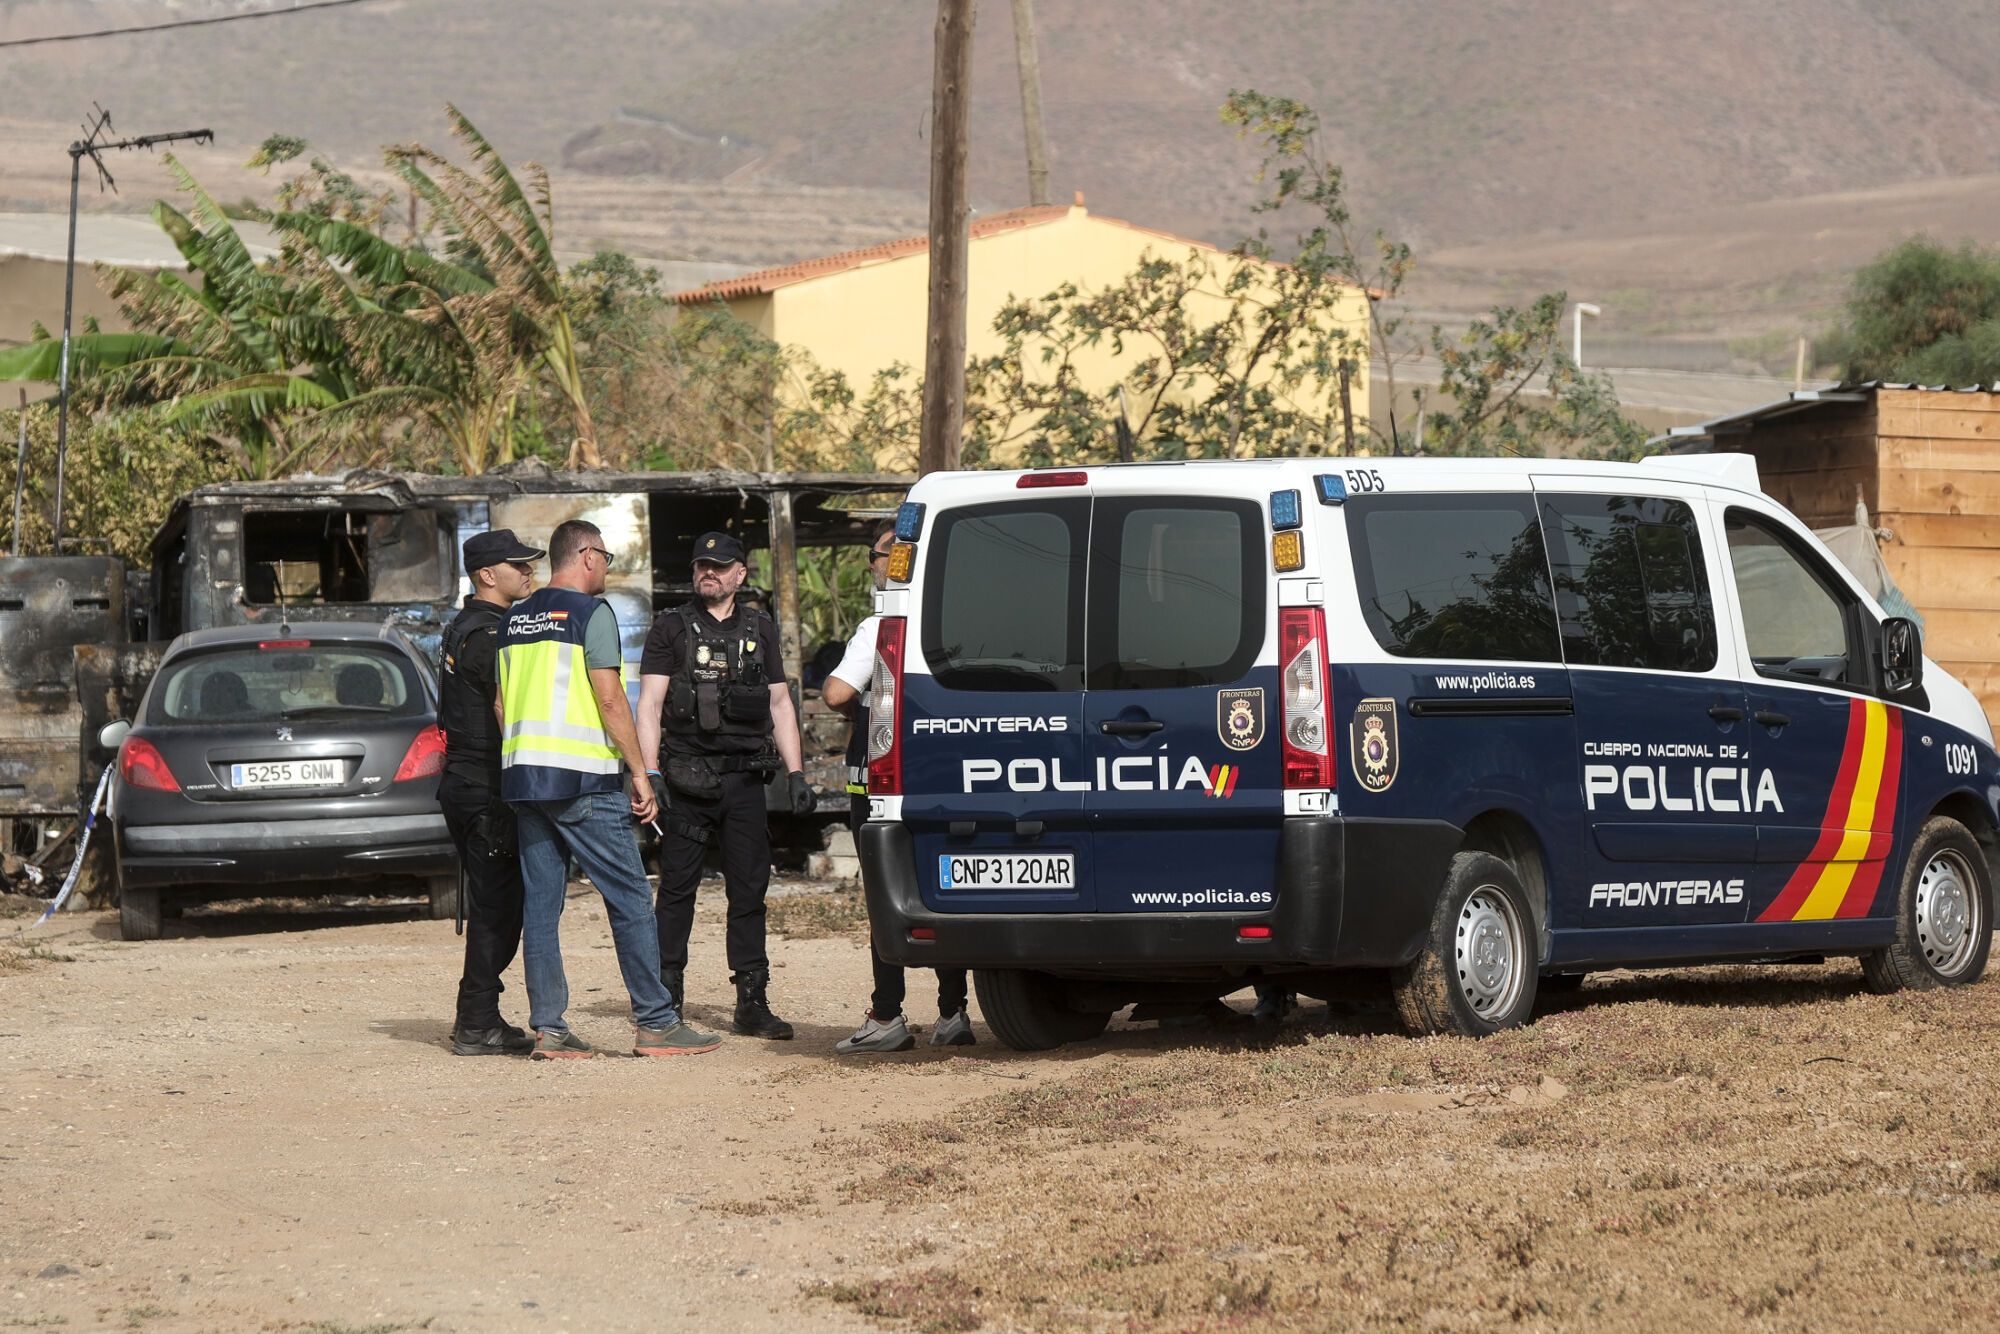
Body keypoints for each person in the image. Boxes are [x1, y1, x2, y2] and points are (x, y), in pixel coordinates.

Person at [496, 518, 722, 1060]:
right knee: (629, 901)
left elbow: (502, 704)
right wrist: (641, 772)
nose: (607, 569)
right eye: (608, 558)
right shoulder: (589, 613)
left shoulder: (514, 618)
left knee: (541, 909)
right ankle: (656, 1022)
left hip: (526, 779)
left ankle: (550, 1029)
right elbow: (612, 699)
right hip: (582, 782)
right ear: (589, 555)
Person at [638, 530, 816, 1041]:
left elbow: (781, 705)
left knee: (749, 892)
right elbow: (649, 704)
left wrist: (798, 772)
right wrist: (649, 773)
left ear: (740, 574)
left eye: (719, 566)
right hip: (687, 779)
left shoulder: (760, 628)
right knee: (676, 892)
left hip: (743, 782)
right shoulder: (670, 628)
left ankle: (752, 1002)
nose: (708, 573)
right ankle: (665, 999)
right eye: (701, 566)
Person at [828, 524, 972, 1053]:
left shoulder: (882, 625)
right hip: (943, 774)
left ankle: (887, 1013)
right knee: (943, 889)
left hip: (881, 785)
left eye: (883, 554)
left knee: (888, 899)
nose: (881, 563)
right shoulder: (957, 620)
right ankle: (953, 1012)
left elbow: (837, 690)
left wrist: (864, 712)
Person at [438, 528, 542, 1056]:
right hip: (485, 788)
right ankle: (477, 1021)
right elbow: (507, 708)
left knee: (496, 905)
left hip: (469, 784)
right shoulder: (488, 634)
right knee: (498, 909)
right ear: (486, 574)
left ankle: (479, 1015)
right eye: (518, 566)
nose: (529, 572)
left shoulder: (468, 625)